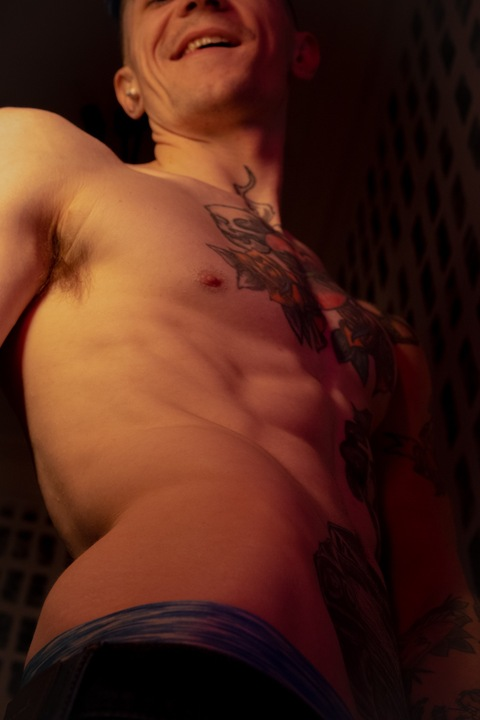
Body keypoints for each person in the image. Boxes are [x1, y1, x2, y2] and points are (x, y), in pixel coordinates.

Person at [1, 0, 479, 717]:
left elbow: (437, 607)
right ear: (128, 87)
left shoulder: (389, 345)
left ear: (303, 50)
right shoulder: (44, 158)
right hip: (156, 660)